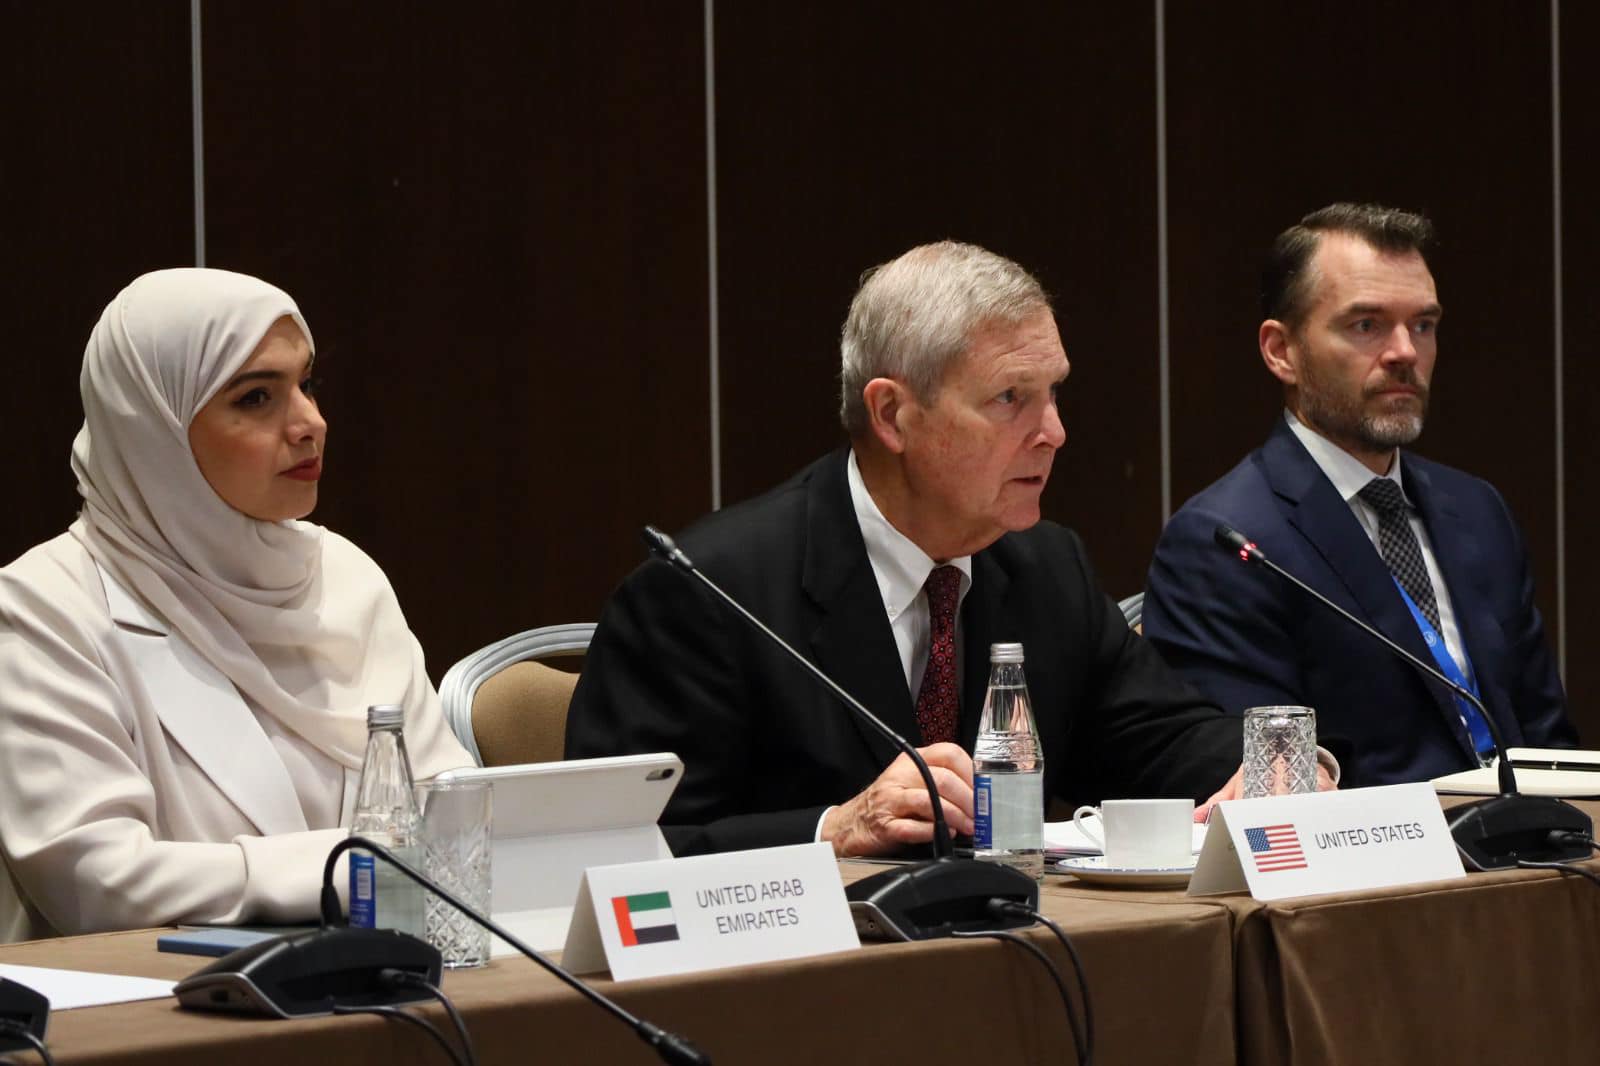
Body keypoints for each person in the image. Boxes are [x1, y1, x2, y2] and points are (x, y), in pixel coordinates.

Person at [566, 240, 1249, 858]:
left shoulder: (1046, 568)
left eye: (1053, 393)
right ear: (892, 414)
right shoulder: (708, 592)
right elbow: (614, 850)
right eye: (1010, 397)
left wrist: (1275, 766)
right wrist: (830, 829)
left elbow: (1164, 743)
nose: (1054, 432)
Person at [0, 269, 471, 941]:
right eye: (256, 397)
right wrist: (352, 867)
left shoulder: (345, 576)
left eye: (306, 384)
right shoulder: (45, 606)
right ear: (152, 429)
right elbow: (97, 880)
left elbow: (449, 814)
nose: (310, 423)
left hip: (381, 976)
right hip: (161, 994)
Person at [1142, 203, 1576, 788]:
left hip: (1531, 833)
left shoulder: (1478, 510)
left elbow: (1548, 739)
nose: (1404, 353)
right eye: (1366, 325)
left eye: (1423, 325)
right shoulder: (1226, 542)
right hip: (1379, 842)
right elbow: (1264, 778)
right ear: (1281, 351)